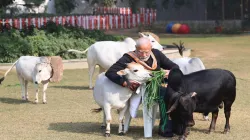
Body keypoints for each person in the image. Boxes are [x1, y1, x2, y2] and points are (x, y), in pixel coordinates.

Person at [105, 37, 179, 137]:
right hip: (138, 90)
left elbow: (174, 67)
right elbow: (110, 72)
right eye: (140, 52)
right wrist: (126, 83)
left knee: (173, 94)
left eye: (147, 52)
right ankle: (165, 129)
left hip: (155, 86)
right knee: (164, 95)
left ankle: (172, 125)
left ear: (151, 48)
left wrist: (170, 72)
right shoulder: (128, 58)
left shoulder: (156, 54)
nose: (144, 55)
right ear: (135, 48)